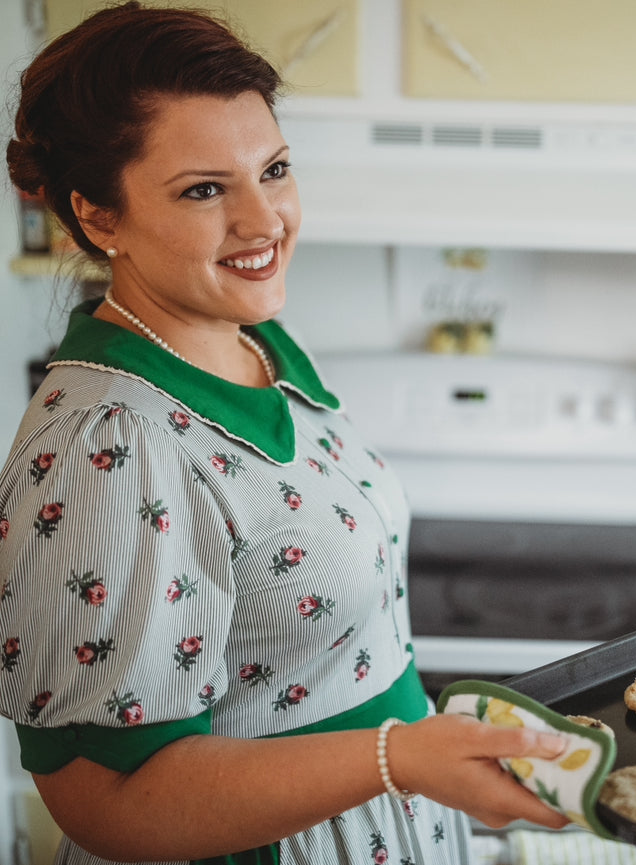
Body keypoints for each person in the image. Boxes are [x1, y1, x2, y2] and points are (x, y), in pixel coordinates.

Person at [0, 4, 570, 863]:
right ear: (99, 215)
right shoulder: (109, 443)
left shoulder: (255, 344)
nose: (265, 221)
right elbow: (106, 803)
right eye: (203, 189)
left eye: (273, 169)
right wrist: (396, 754)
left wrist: (418, 753)